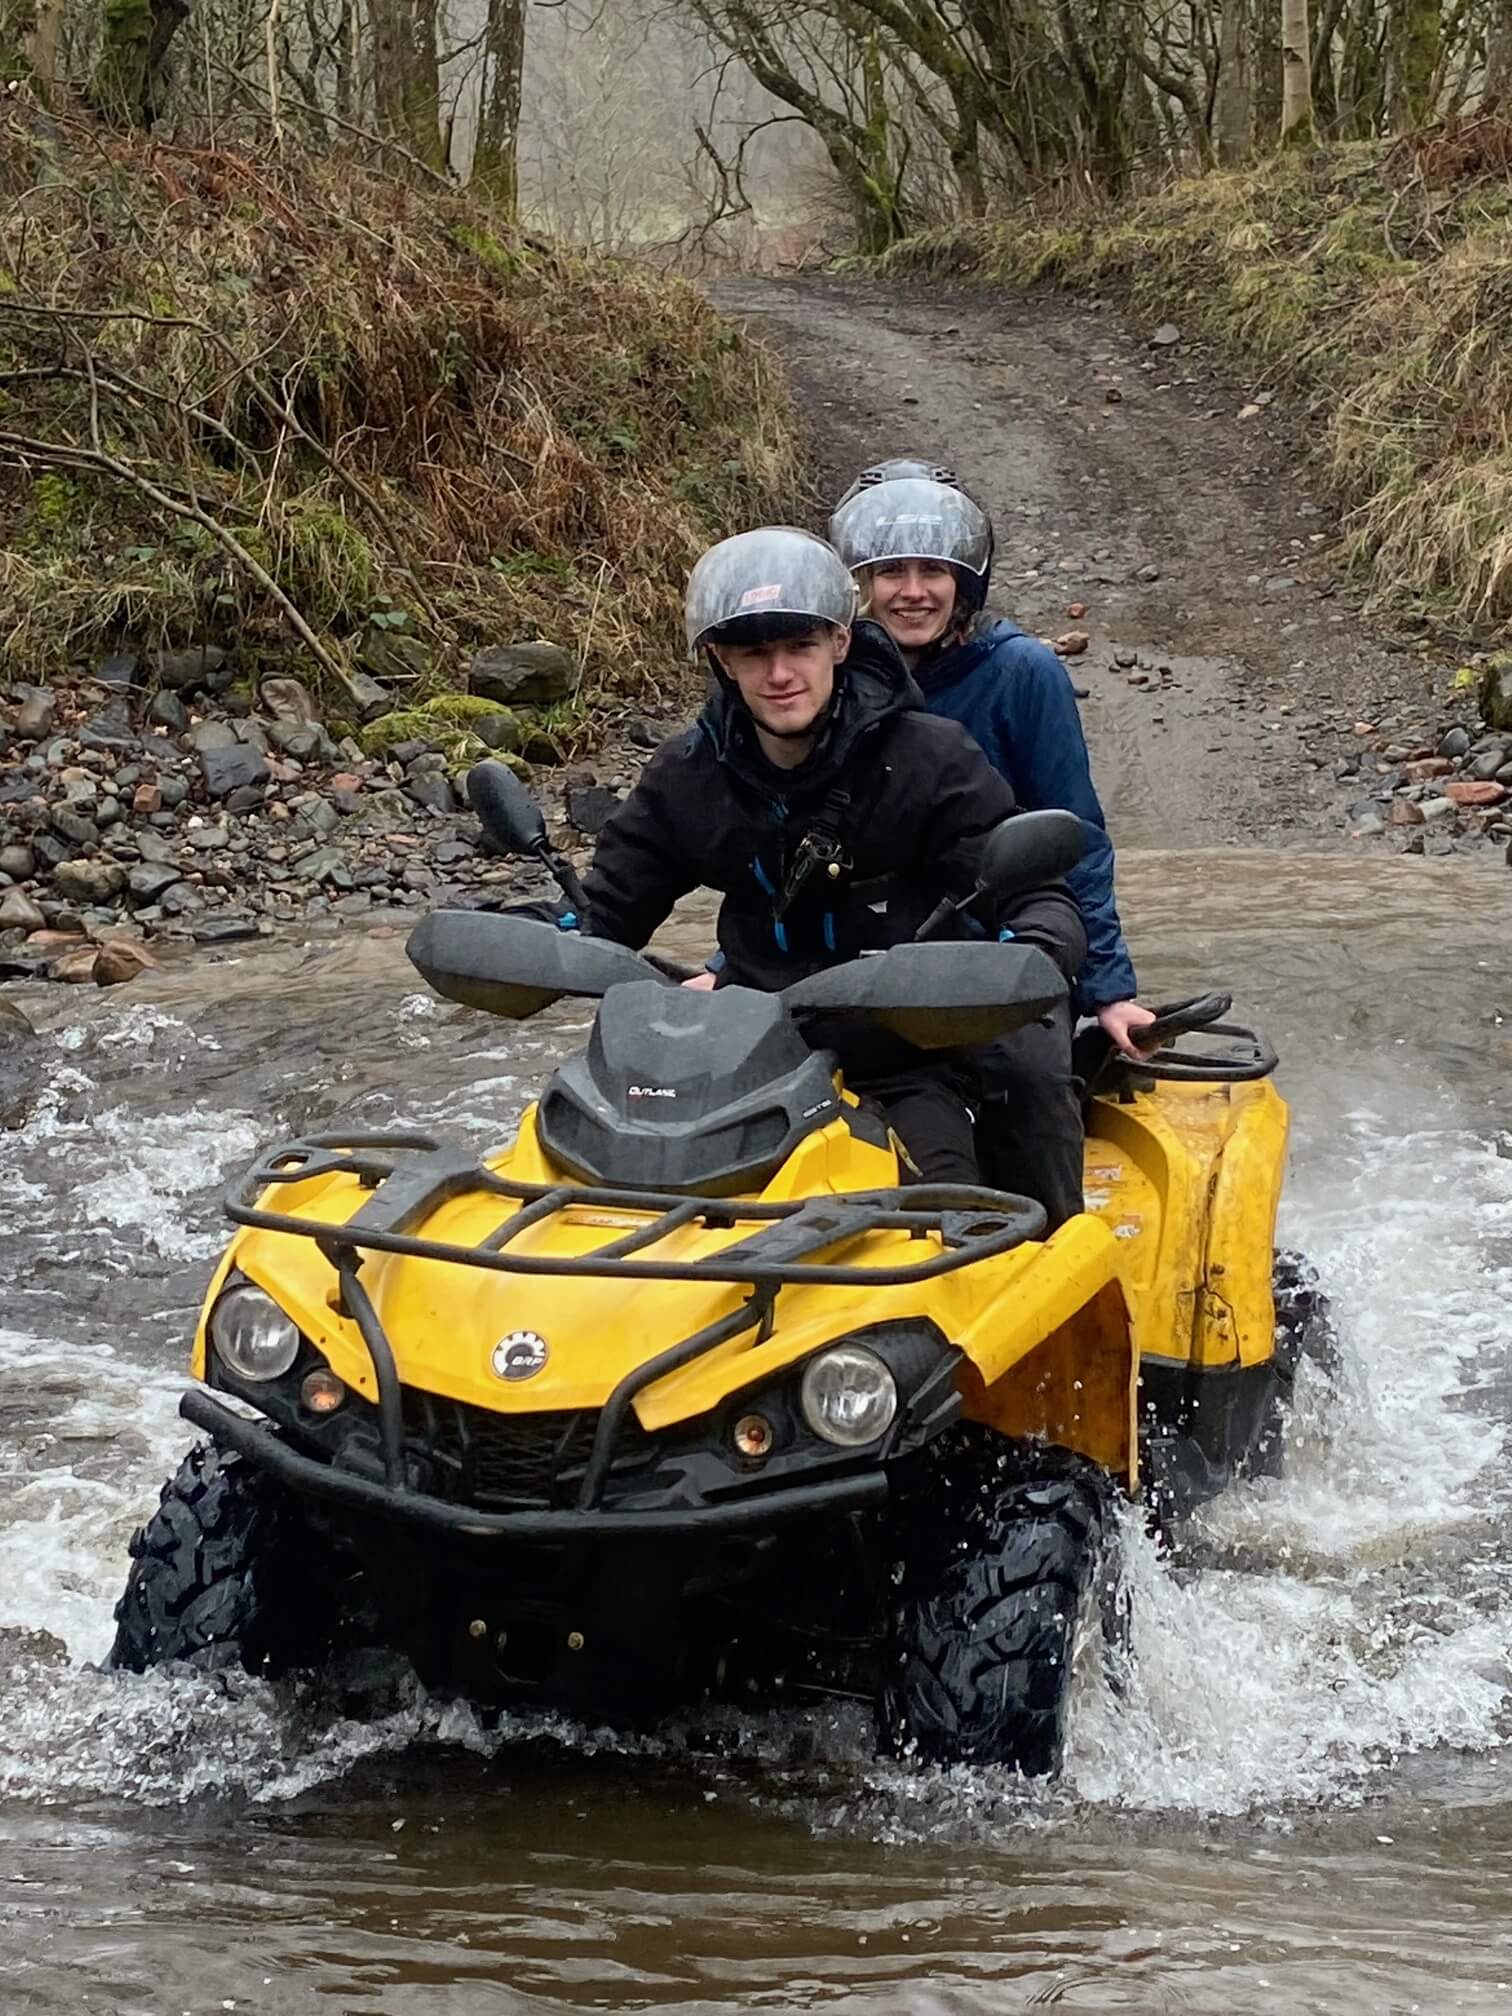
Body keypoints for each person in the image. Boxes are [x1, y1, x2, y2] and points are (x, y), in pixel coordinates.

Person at [577, 526, 1087, 1189]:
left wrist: (1035, 948)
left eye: (800, 646)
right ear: (722, 662)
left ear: (840, 643)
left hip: (911, 1050)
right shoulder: (688, 772)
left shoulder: (931, 757)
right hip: (750, 1053)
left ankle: (1053, 1247)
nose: (780, 674)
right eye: (754, 653)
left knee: (1011, 1110)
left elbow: (1032, 889)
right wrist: (535, 937)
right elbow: (605, 907)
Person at [829, 464, 1155, 1224]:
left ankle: (1061, 1267)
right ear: (859, 585)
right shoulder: (825, 680)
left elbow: (1074, 834)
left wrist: (1107, 988)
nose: (912, 591)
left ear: (964, 583)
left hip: (1006, 952)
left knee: (1033, 1094)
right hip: (862, 961)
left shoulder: (1021, 672)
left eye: (933, 571)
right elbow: (791, 839)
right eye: (890, 572)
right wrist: (729, 967)